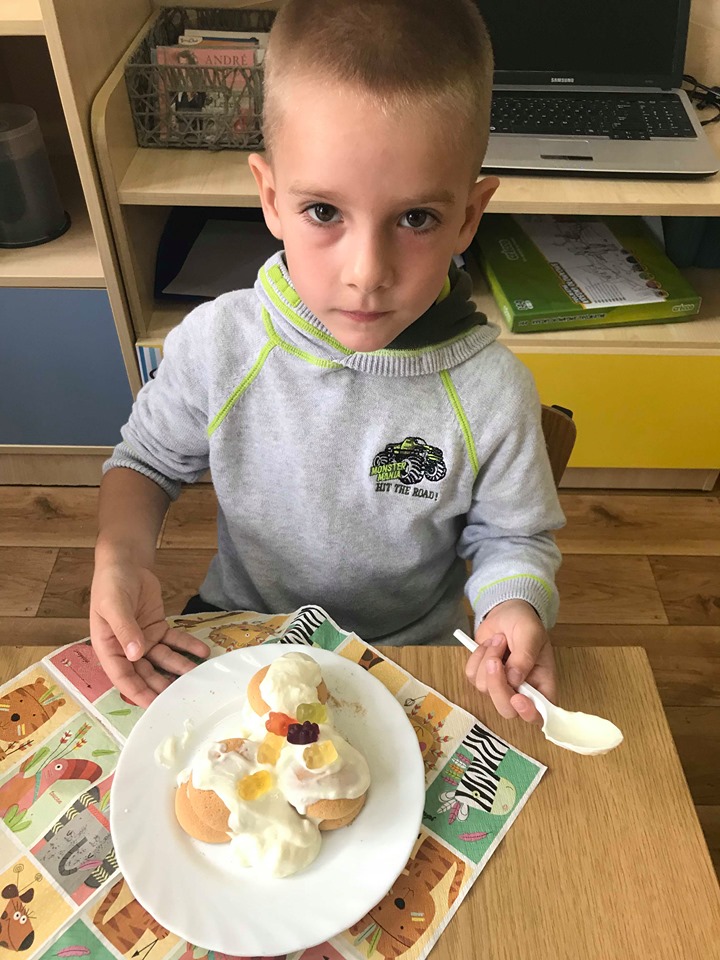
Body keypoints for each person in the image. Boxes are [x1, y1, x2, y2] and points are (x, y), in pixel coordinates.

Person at [90, 0, 565, 724]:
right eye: (323, 212)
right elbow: (145, 463)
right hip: (243, 635)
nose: (366, 272)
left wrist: (513, 606)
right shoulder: (220, 345)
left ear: (469, 216)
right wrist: (119, 556)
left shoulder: (492, 394)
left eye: (416, 218)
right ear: (270, 198)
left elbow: (513, 537)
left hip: (408, 657)